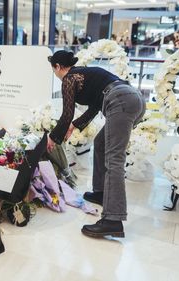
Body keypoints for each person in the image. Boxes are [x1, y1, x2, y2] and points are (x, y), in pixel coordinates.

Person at [46, 50, 145, 238]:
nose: (56, 74)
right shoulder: (84, 74)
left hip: (120, 101)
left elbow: (66, 114)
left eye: (54, 70)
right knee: (101, 144)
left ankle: (113, 220)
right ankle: (101, 193)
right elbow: (94, 108)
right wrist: (74, 126)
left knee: (114, 159)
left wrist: (52, 138)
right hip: (133, 98)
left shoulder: (69, 79)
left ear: (58, 67)